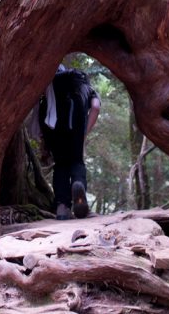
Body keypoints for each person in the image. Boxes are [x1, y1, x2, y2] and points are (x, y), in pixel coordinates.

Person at [39, 65, 100, 220]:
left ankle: (62, 207)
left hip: (51, 121)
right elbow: (95, 107)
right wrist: (84, 132)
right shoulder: (85, 85)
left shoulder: (51, 83)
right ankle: (77, 184)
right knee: (76, 160)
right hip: (76, 120)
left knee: (60, 163)